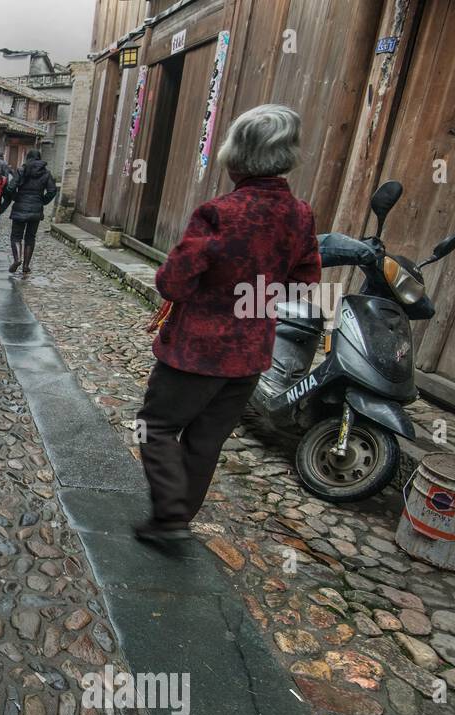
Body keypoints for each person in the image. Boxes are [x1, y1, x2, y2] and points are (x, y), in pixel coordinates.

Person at [134, 104, 320, 544]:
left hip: (195, 353)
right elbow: (303, 283)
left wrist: (214, 295)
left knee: (156, 426)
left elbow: (173, 282)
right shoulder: (300, 214)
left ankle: (171, 515)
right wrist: (251, 301)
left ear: (237, 155)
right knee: (206, 439)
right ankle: (174, 521)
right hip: (250, 354)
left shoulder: (219, 212)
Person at [7, 148, 58, 274]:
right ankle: (26, 266)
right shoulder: (46, 173)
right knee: (30, 237)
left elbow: (10, 187)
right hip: (36, 209)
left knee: (16, 236)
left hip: (20, 208)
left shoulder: (21, 170)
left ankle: (17, 259)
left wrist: (16, 198)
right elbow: (52, 191)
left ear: (28, 158)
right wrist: (43, 201)